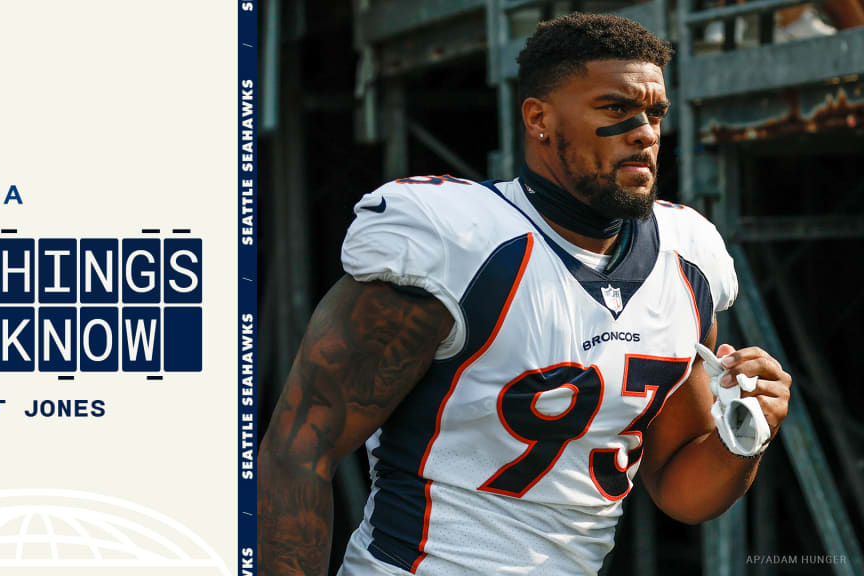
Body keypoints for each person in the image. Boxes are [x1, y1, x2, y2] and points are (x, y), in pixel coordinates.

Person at [258, 13, 792, 576]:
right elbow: (297, 454)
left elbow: (679, 488)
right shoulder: (457, 241)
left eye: (655, 113)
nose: (646, 132)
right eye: (616, 108)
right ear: (538, 118)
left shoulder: (687, 259)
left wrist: (743, 436)